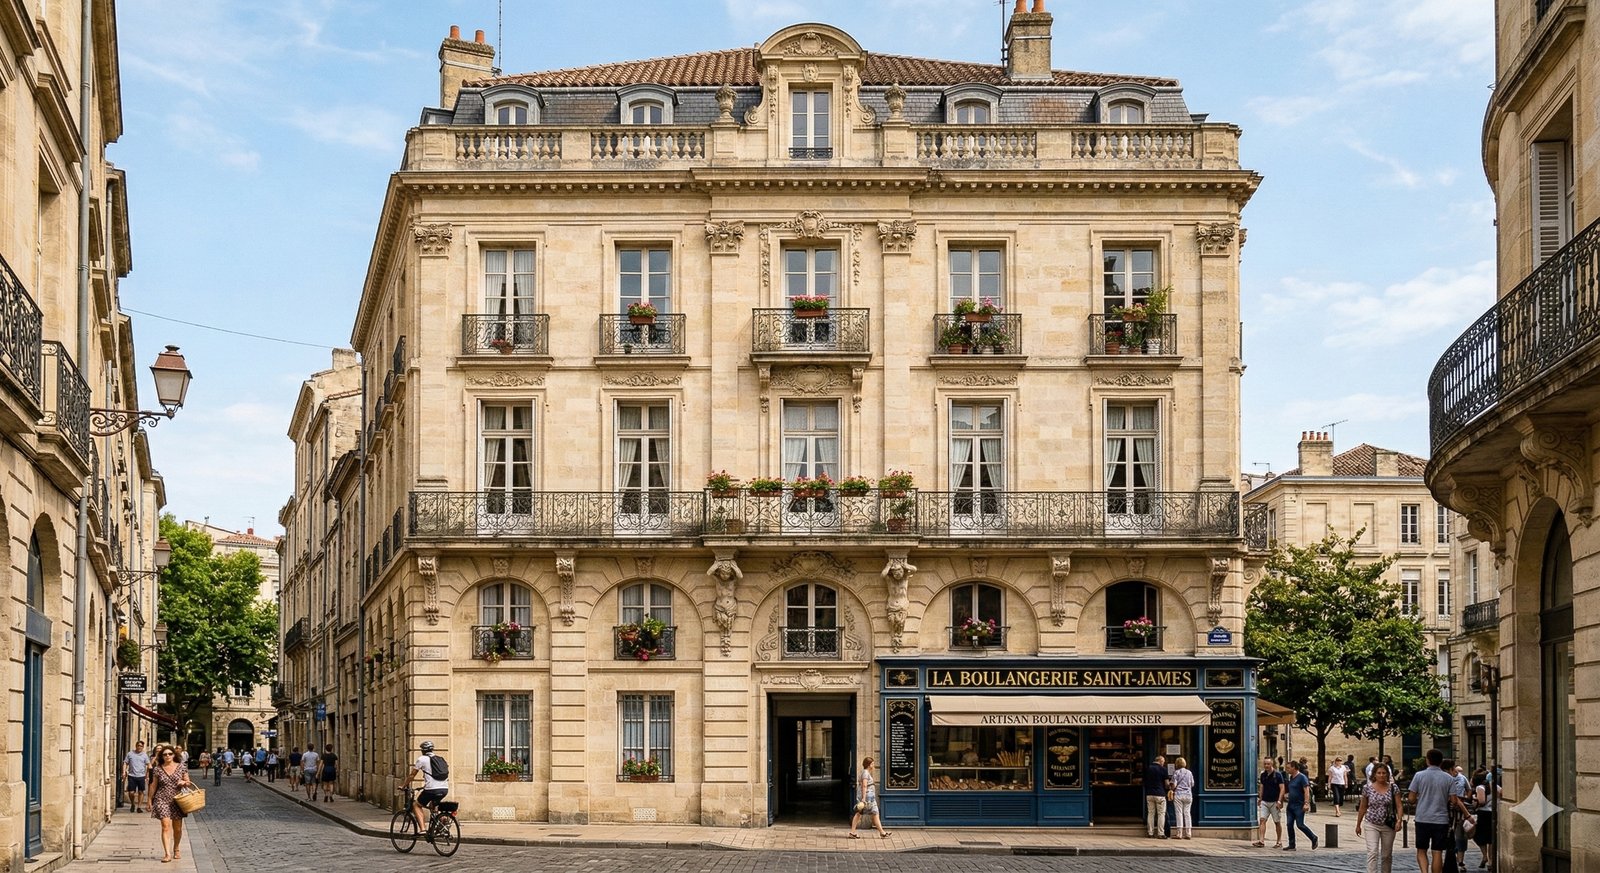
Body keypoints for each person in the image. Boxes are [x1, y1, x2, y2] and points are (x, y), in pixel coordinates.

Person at [1409, 748, 1456, 873]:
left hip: (1423, 818)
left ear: (1427, 760)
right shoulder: (1449, 778)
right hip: (1441, 819)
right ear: (1441, 762)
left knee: (1421, 850)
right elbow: (1454, 801)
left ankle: (1424, 872)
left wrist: (1421, 796)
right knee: (1437, 852)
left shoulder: (1419, 776)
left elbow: (1411, 799)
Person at [147, 744, 195, 863]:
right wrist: (149, 800)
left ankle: (176, 848)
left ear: (174, 755)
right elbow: (153, 785)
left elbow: (188, 782)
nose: (167, 756)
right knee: (165, 826)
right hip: (162, 799)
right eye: (165, 754)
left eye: (170, 754)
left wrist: (183, 782)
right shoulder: (158, 769)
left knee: (177, 828)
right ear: (162, 756)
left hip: (178, 799)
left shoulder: (181, 767)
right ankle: (167, 853)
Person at [1357, 761, 1403, 873]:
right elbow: (1363, 807)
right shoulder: (1367, 788)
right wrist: (1358, 824)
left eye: (1384, 773)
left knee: (1386, 855)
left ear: (1387, 774)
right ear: (1374, 774)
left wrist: (1399, 820)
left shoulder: (1393, 788)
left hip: (1388, 824)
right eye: (1379, 773)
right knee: (1372, 852)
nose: (1381, 775)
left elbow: (1399, 805)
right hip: (1371, 823)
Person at [404, 741, 451, 838]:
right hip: (444, 788)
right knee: (433, 806)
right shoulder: (440, 759)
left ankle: (422, 829)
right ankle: (442, 819)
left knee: (416, 805)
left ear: (422, 750)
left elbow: (412, 775)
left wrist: (404, 785)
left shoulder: (422, 759)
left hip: (431, 789)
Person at [847, 756, 890, 839]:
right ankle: (852, 832)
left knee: (873, 813)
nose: (873, 765)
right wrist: (863, 799)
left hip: (870, 797)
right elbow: (864, 785)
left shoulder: (866, 773)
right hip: (867, 798)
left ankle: (882, 832)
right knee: (861, 813)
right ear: (869, 765)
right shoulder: (865, 773)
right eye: (872, 764)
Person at [1283, 759, 1317, 850]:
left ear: (1294, 768)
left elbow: (1306, 791)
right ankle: (1292, 844)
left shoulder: (1302, 777)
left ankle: (1313, 837)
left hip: (1299, 805)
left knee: (1300, 824)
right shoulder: (1291, 778)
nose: (1287, 770)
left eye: (1288, 768)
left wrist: (1306, 803)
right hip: (1290, 805)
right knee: (1289, 824)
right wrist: (1287, 795)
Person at [1254, 756, 1286, 848]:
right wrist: (1260, 798)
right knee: (1262, 820)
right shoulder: (1263, 775)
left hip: (1274, 801)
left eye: (1268, 764)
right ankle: (1261, 840)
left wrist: (1280, 800)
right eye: (1265, 764)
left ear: (1272, 764)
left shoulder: (1278, 775)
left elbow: (1282, 788)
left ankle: (1279, 841)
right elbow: (1262, 786)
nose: (1266, 765)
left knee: (1277, 821)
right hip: (1265, 800)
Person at [1470, 767, 1494, 870]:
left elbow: (1482, 801)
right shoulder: (1493, 786)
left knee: (1479, 836)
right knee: (1491, 838)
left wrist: (1475, 801)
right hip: (1492, 813)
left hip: (1483, 814)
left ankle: (1485, 856)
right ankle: (1491, 860)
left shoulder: (1480, 787)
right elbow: (1502, 792)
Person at [1141, 754, 1170, 838]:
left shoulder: (1148, 768)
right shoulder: (1163, 769)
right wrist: (1169, 787)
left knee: (1150, 813)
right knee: (1161, 814)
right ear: (1160, 761)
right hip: (1160, 794)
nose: (1163, 764)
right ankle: (1161, 833)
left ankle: (1150, 832)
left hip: (1149, 794)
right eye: (1163, 762)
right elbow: (1167, 784)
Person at [1170, 755, 1195, 839]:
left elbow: (1174, 784)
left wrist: (1171, 789)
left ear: (1177, 764)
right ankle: (1188, 833)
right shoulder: (1189, 772)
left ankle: (1179, 833)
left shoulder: (1176, 772)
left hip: (1179, 794)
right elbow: (1192, 784)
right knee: (1187, 813)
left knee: (1179, 813)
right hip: (1188, 794)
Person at [123, 741, 151, 813]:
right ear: (136, 746)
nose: (139, 747)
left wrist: (148, 774)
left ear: (143, 747)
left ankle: (139, 807)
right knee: (131, 792)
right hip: (132, 775)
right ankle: (132, 803)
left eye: (141, 746)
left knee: (141, 791)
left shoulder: (144, 755)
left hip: (141, 776)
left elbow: (148, 764)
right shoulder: (130, 754)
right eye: (138, 745)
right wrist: (124, 772)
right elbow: (125, 763)